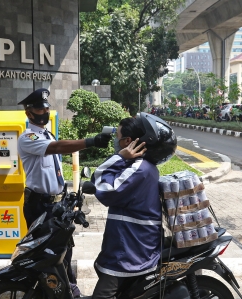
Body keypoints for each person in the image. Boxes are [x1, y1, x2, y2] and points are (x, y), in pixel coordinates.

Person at [17, 88, 112, 298]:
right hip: (40, 205)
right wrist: (91, 141)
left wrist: (67, 195)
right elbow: (57, 147)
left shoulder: (46, 133)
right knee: (46, 254)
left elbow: (53, 169)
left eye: (46, 107)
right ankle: (46, 291)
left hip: (56, 204)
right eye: (39, 108)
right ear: (29, 113)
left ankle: (69, 290)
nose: (45, 111)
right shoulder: (28, 137)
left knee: (64, 250)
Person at [90, 113, 177, 299]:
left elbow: (105, 189)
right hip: (131, 244)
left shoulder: (139, 168)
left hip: (129, 250)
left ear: (128, 142)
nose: (116, 142)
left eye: (118, 138)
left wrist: (119, 157)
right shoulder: (143, 167)